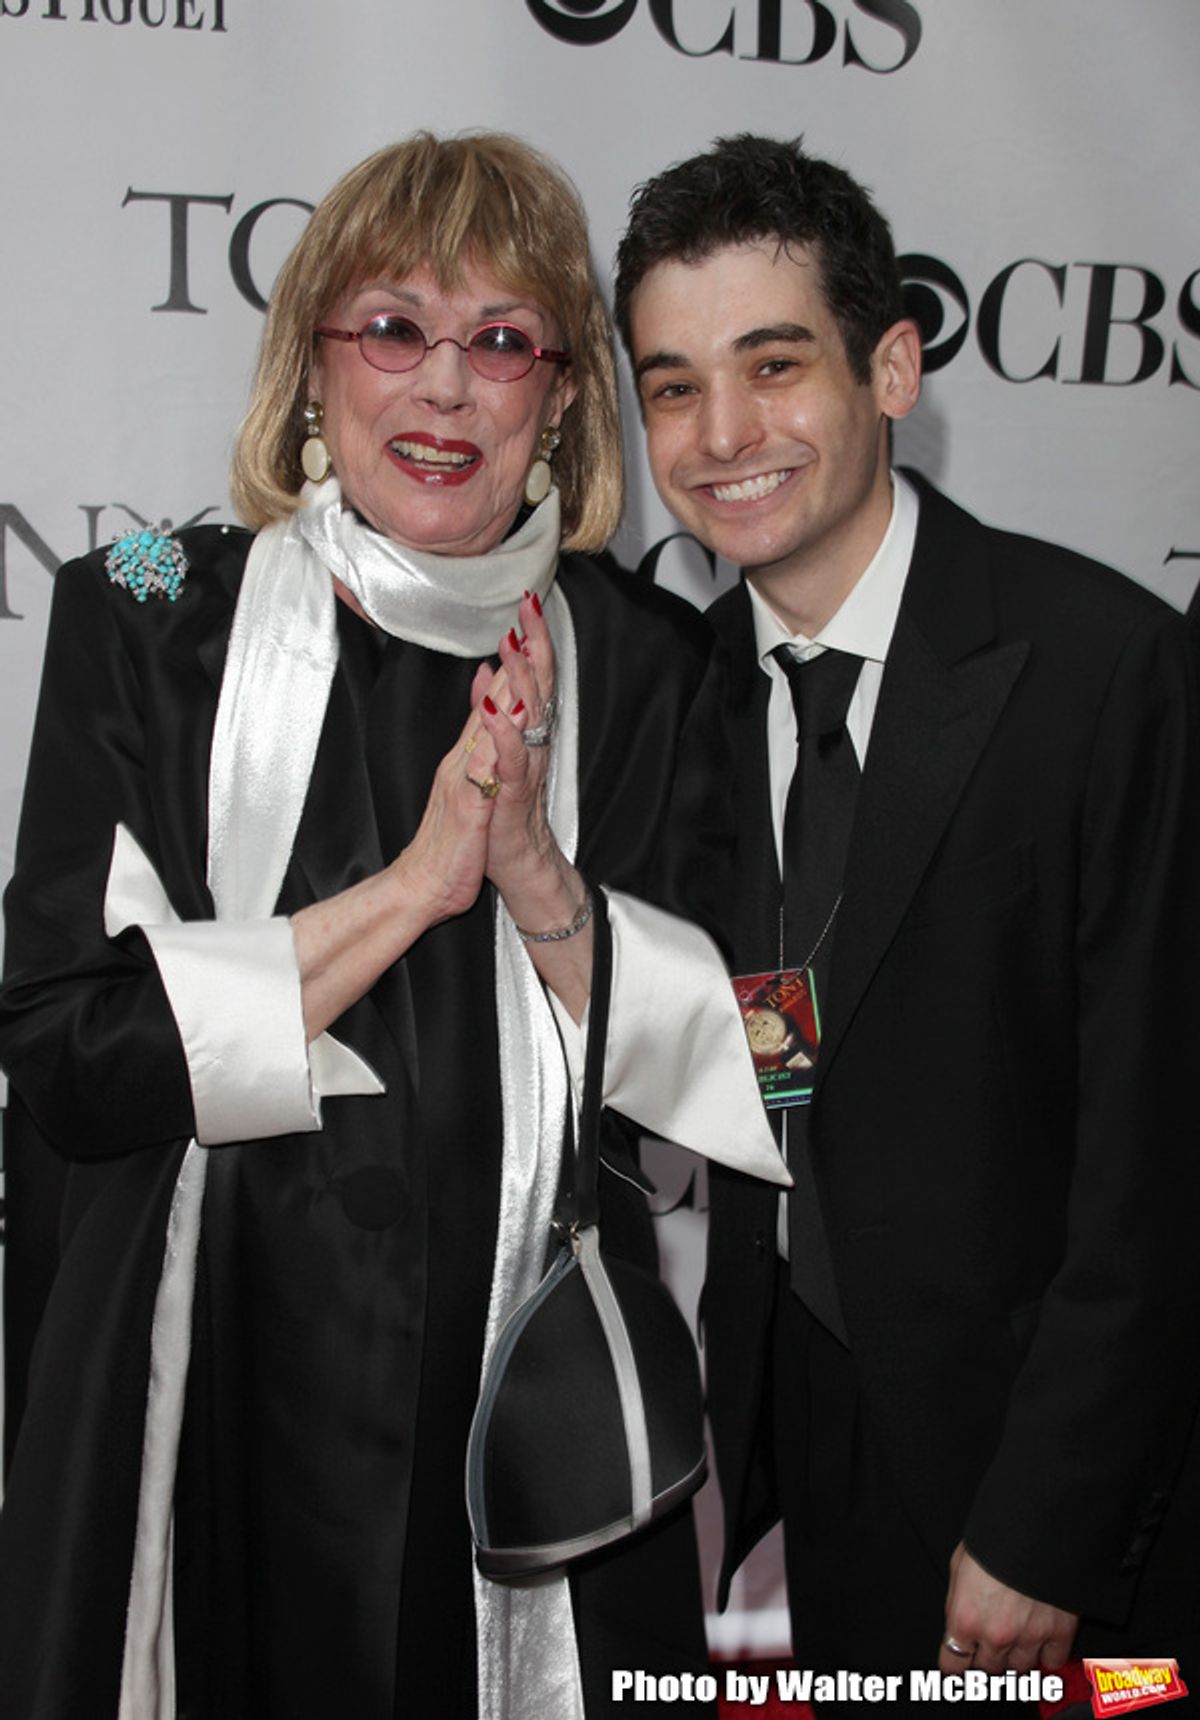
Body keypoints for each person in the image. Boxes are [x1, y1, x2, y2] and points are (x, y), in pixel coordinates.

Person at [0, 131, 785, 1720]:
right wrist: (416, 888)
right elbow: (70, 1057)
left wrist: (539, 886)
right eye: (393, 328)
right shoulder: (145, 599)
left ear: (560, 398)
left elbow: (779, 1064)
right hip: (208, 1409)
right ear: (310, 363)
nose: (444, 388)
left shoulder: (660, 661)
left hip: (526, 1440)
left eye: (502, 342)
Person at [613, 134, 1200, 1709]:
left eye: (773, 364)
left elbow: (1162, 1163)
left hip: (1063, 1489)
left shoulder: (1102, 672)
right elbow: (774, 1027)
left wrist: (1048, 1526)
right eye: (671, 384)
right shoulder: (683, 691)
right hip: (815, 1439)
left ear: (892, 366)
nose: (722, 434)